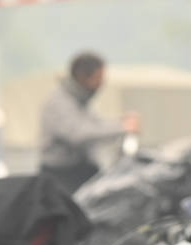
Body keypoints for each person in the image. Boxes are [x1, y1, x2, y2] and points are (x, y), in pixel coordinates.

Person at [38, 51, 140, 193]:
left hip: (79, 170)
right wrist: (122, 127)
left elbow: (95, 124)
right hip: (61, 176)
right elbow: (79, 134)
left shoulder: (79, 100)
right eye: (99, 77)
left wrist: (119, 122)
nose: (102, 83)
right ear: (84, 77)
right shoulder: (60, 103)